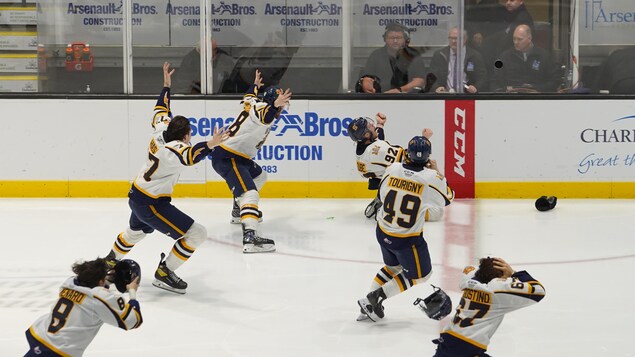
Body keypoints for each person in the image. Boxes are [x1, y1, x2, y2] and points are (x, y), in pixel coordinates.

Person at [104, 62, 228, 294]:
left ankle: (109, 262)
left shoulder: (160, 131)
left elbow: (161, 109)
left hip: (137, 196)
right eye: (190, 134)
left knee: (135, 233)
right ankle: (165, 272)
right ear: (183, 136)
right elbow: (191, 156)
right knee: (197, 233)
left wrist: (166, 86)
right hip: (152, 204)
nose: (191, 137)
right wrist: (211, 144)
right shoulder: (173, 150)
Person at [357, 136, 454, 322]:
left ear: (407, 154)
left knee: (393, 267)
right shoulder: (431, 178)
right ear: (428, 157)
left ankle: (367, 307)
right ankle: (376, 297)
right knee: (422, 275)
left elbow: (381, 194)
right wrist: (436, 171)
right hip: (407, 240)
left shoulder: (392, 168)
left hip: (382, 231)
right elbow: (448, 198)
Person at [210, 69, 292, 253]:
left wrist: (255, 85)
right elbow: (266, 115)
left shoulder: (252, 103)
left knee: (260, 177)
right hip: (229, 156)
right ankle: (250, 237)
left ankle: (239, 211)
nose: (281, 111)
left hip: (236, 156)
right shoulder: (263, 110)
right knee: (250, 193)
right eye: (281, 107)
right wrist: (274, 106)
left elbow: (249, 96)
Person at [25, 258, 142, 356]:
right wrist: (132, 291)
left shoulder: (69, 283)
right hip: (58, 350)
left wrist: (106, 280)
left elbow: (90, 289)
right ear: (100, 281)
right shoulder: (99, 298)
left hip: (40, 337)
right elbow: (133, 321)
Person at [430, 257, 546, 356]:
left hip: (447, 340)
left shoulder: (468, 281)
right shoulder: (497, 291)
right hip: (467, 348)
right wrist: (513, 273)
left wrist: (487, 266)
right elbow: (539, 291)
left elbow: (469, 268)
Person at [347, 114, 439, 220]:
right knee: (412, 172)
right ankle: (388, 200)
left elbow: (377, 141)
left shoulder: (364, 144)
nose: (372, 124)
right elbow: (408, 157)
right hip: (389, 178)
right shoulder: (378, 151)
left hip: (378, 175)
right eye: (369, 125)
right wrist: (424, 139)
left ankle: (384, 194)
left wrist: (380, 124)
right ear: (367, 135)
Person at [357, 23, 427, 93]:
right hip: (380, 97)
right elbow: (367, 77)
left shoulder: (414, 55)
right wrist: (366, 83)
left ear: (405, 40)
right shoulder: (376, 55)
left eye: (399, 38)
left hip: (407, 97)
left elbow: (420, 81)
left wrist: (400, 90)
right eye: (391, 38)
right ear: (385, 39)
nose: (395, 41)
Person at [490, 24, 560, 92]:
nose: (516, 42)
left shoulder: (544, 56)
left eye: (520, 39)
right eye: (514, 39)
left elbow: (555, 81)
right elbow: (495, 80)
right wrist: (503, 92)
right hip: (511, 98)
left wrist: (538, 89)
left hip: (537, 99)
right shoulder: (504, 57)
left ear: (529, 38)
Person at [429, 27, 488, 93]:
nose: (453, 41)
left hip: (467, 95)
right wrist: (436, 87)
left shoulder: (475, 56)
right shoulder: (440, 54)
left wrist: (476, 87)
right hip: (444, 94)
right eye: (451, 38)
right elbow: (431, 75)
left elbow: (483, 77)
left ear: (464, 39)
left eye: (456, 38)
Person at [172, 38, 236, 94]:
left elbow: (233, 78)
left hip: (222, 94)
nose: (214, 52)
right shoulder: (189, 61)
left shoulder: (224, 57)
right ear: (200, 51)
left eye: (215, 49)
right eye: (210, 50)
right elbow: (182, 85)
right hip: (196, 95)